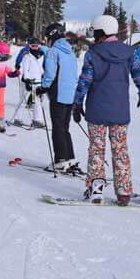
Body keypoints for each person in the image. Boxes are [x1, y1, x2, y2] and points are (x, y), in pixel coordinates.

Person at [73, 15, 140, 206]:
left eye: (95, 31)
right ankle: (124, 192)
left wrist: (77, 103)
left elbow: (85, 81)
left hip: (96, 111)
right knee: (120, 149)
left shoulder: (92, 54)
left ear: (101, 31)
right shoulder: (129, 52)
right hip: (120, 111)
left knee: (97, 150)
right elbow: (139, 75)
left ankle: (96, 189)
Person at [35, 24, 80, 174]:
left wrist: (43, 87)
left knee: (58, 128)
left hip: (58, 94)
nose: (46, 40)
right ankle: (70, 158)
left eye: (47, 37)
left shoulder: (54, 52)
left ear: (52, 35)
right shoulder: (70, 51)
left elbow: (50, 74)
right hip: (70, 95)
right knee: (64, 128)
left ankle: (61, 160)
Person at [11, 39, 46, 128]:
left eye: (36, 45)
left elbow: (42, 68)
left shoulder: (42, 55)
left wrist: (43, 76)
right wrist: (26, 80)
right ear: (29, 46)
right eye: (32, 46)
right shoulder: (27, 56)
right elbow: (25, 69)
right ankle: (17, 118)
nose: (34, 47)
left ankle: (36, 120)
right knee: (24, 100)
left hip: (37, 82)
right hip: (29, 82)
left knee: (35, 100)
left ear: (39, 46)